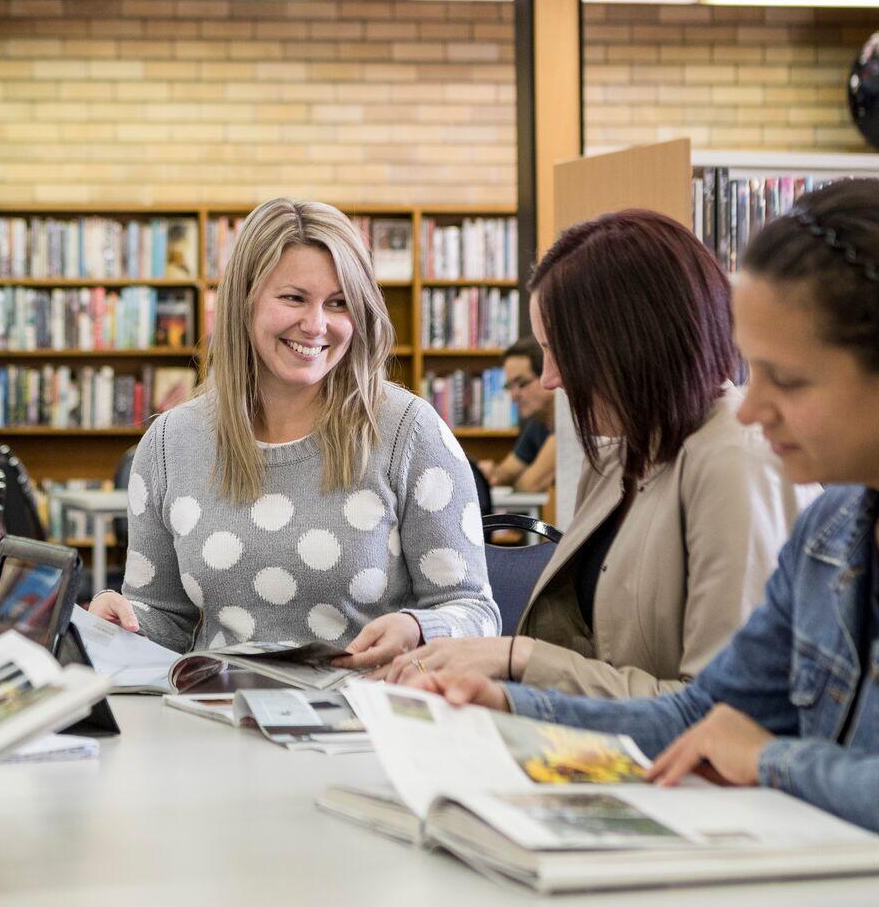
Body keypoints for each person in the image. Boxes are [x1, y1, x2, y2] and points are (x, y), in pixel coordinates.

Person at [414, 179, 879, 907]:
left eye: (788, 381)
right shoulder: (836, 527)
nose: (750, 411)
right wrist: (506, 704)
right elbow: (701, 716)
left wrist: (772, 761)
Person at [384, 209, 810, 696]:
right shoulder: (618, 457)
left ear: (632, 342)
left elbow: (724, 711)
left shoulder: (737, 460)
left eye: (561, 349)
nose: (550, 379)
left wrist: (520, 660)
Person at [89, 197, 497, 663]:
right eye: (294, 298)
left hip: (364, 718)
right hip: (217, 714)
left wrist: (417, 626)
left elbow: (476, 613)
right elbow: (163, 618)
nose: (316, 325)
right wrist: (119, 623)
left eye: (339, 303)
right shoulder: (170, 442)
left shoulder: (409, 431)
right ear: (244, 302)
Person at [479, 337, 555, 492]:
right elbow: (506, 473)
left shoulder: (571, 424)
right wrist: (488, 473)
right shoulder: (537, 424)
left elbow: (529, 485)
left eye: (521, 384)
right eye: (510, 386)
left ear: (548, 376)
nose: (514, 396)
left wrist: (512, 480)